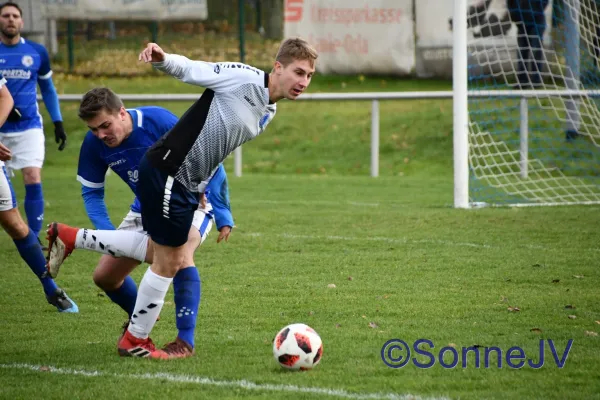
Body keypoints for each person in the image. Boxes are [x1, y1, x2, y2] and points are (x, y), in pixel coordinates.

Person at [101, 37, 318, 359]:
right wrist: (162, 58)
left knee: (175, 256)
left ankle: (151, 338)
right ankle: (143, 338)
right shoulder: (244, 77)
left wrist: (204, 189)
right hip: (166, 170)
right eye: (298, 72)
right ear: (278, 67)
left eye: (309, 76)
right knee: (169, 258)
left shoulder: (268, 110)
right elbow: (193, 69)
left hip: (188, 185)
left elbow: (219, 149)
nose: (303, 81)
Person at [45, 88, 233, 353]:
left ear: (122, 113)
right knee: (105, 277)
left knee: (179, 256)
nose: (100, 135)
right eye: (93, 129)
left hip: (192, 203)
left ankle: (184, 342)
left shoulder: (158, 121)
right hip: (145, 207)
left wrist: (223, 212)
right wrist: (110, 237)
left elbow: (210, 158)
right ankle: (140, 323)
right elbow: (92, 192)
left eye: (105, 126)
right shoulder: (94, 143)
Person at [0, 72, 77, 313]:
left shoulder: (36, 53)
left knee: (14, 224)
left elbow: (5, 98)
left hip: (27, 130)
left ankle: (51, 288)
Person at [0, 2, 67, 240]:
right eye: (6, 15)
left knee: (32, 175)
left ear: (22, 22)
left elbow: (47, 89)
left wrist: (57, 121)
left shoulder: (37, 52)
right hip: (0, 128)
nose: (10, 19)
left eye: (15, 16)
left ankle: (34, 236)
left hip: (29, 127)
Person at [508, 0, 550, 88]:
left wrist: (536, 12)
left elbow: (545, 2)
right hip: (521, 23)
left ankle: (536, 81)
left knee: (536, 50)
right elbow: (510, 4)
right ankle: (522, 82)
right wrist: (516, 18)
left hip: (537, 22)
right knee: (522, 52)